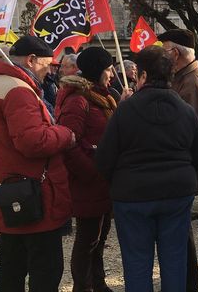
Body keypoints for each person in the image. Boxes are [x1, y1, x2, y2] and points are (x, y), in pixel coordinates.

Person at [96, 45, 198, 292]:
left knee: (136, 260)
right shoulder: (185, 110)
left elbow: (104, 159)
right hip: (176, 193)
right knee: (174, 259)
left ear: (143, 75)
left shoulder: (125, 110)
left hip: (132, 195)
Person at [0, 35, 75, 291]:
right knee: (45, 268)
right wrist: (65, 133)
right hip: (36, 194)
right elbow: (33, 141)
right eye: (47, 64)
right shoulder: (18, 90)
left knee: (11, 266)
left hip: (8, 191)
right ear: (31, 60)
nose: (50, 70)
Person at [55, 47, 119, 292]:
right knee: (87, 240)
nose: (112, 74)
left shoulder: (100, 96)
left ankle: (98, 283)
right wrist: (93, 171)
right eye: (108, 69)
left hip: (102, 181)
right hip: (89, 182)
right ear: (96, 71)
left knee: (100, 238)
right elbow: (69, 143)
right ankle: (83, 287)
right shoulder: (78, 100)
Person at [158, 29, 198, 292]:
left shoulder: (192, 81)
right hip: (180, 170)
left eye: (165, 49)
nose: (162, 55)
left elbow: (197, 132)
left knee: (181, 233)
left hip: (183, 171)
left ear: (175, 53)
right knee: (180, 232)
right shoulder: (183, 77)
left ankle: (189, 284)